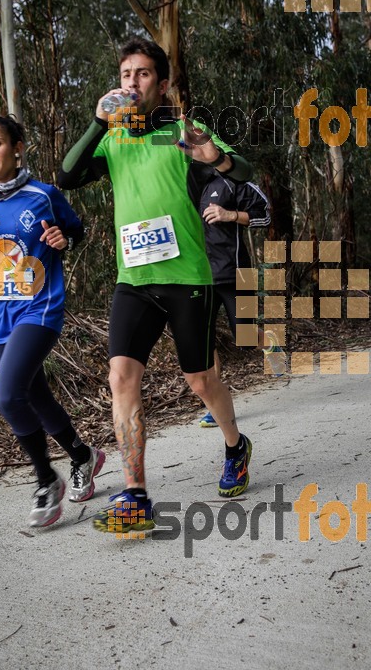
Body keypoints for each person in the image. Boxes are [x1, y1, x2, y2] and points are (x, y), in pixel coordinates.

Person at [58, 37, 254, 535]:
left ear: (161, 84)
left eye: (143, 74)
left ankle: (235, 444)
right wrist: (100, 122)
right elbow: (66, 176)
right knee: (121, 378)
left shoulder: (182, 131)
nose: (132, 82)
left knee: (200, 381)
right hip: (134, 280)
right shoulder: (113, 136)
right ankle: (135, 494)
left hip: (187, 277)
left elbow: (243, 173)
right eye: (126, 74)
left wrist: (219, 159)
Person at [0, 115, 105, 527]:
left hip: (40, 309)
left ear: (18, 148)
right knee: (34, 396)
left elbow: (75, 231)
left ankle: (45, 480)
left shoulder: (45, 194)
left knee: (6, 395)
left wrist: (63, 240)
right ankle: (82, 455)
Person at [198, 169, 271, 426]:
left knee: (246, 337)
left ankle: (271, 343)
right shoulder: (183, 181)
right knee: (203, 343)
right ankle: (215, 406)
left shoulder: (232, 178)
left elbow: (265, 214)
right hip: (198, 277)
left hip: (237, 271)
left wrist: (230, 214)